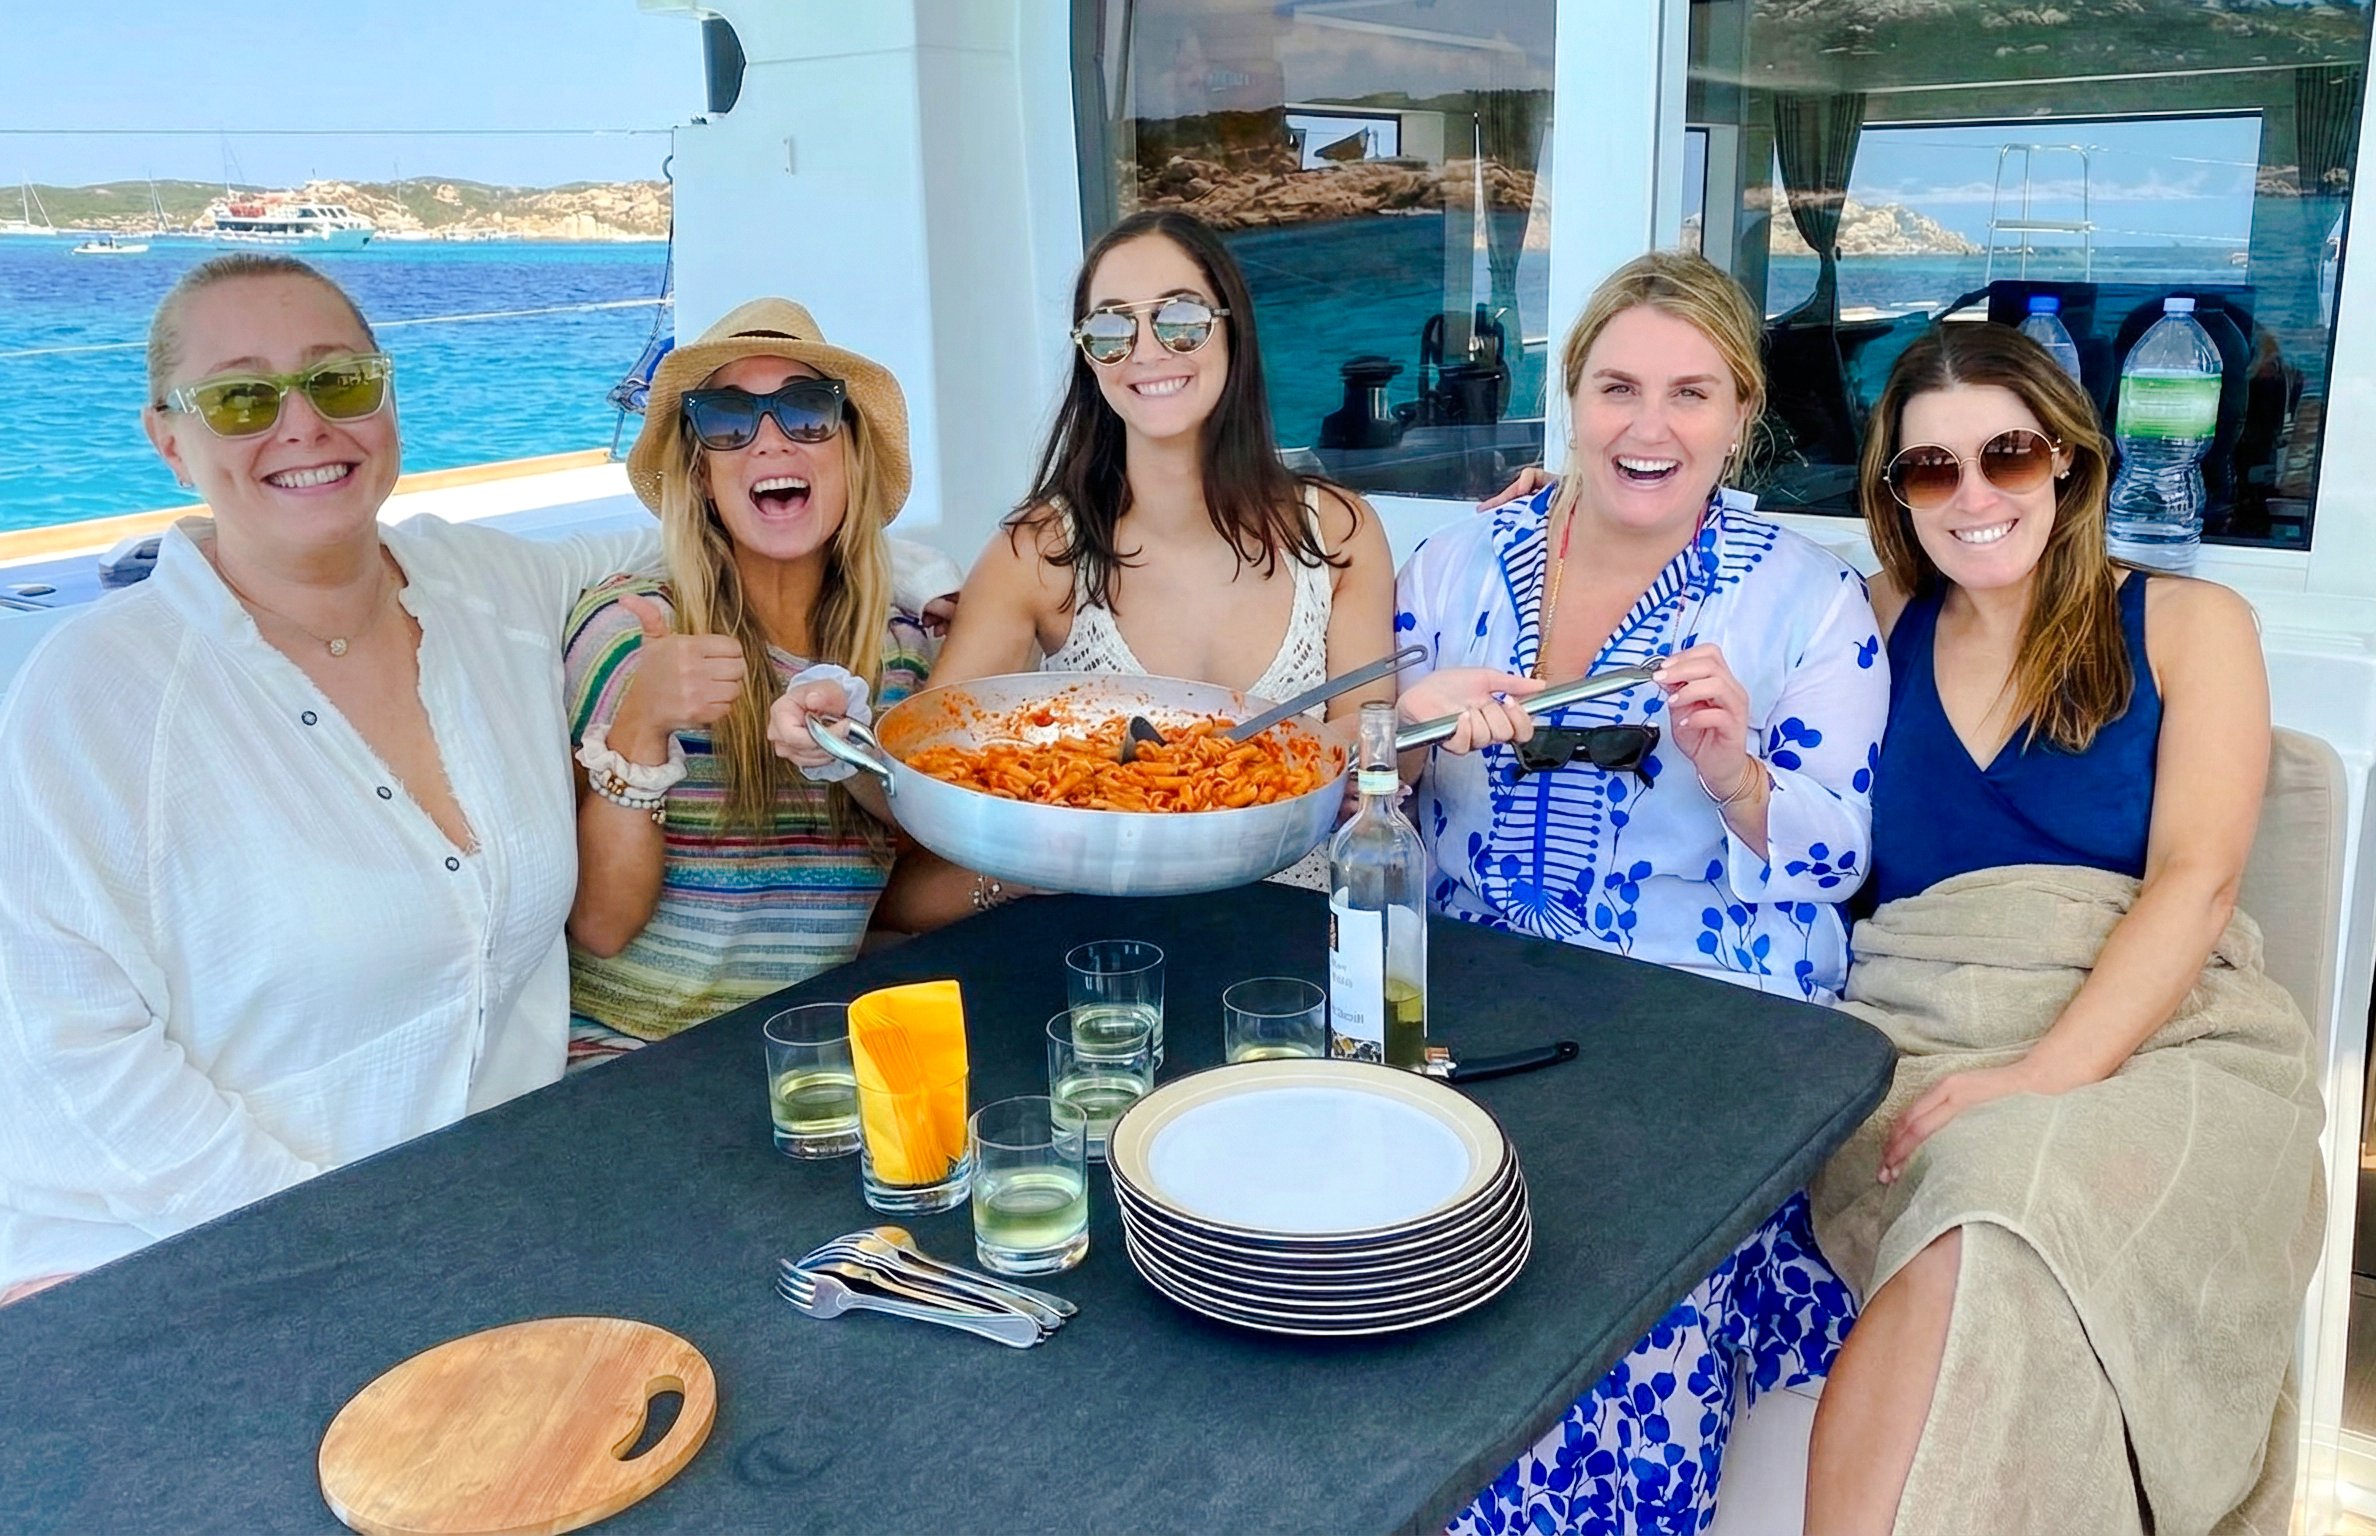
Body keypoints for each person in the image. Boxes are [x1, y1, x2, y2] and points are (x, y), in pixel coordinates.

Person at [0, 253, 661, 1303]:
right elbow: (62, 1056)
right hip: (185, 1260)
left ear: (387, 398)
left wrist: (931, 589)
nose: (302, 425)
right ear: (169, 441)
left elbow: (698, 539)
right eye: (241, 398)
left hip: (483, 1216)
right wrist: (344, 1250)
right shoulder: (97, 695)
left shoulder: (484, 587)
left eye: (338, 380)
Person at [1805, 323, 2322, 1533]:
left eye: (2008, 455)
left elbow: (2196, 881)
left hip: (2162, 1036)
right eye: (1930, 469)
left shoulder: (2191, 623)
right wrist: (1558, 509)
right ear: (1894, 492)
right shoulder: (1873, 617)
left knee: (2002, 1190)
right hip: (1918, 1030)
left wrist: (2040, 1075)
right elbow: (1709, 604)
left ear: (2070, 462)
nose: (1973, 496)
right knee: (1980, 1191)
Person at [1409, 251, 1888, 1535]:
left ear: (1740, 417)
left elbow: (1835, 857)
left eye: (1690, 393)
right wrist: (1404, 726)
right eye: (1617, 387)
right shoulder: (1454, 566)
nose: (1649, 427)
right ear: (1570, 400)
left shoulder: (1805, 600)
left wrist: (1733, 773)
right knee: (1406, 1256)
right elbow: (1345, 788)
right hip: (1466, 996)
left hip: (1699, 1008)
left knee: (1606, 1294)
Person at [885, 209, 1400, 893]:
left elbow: (1376, 749)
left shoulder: (1335, 532)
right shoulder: (1037, 553)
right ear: (1087, 355)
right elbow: (928, 768)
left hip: (1301, 937)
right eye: (1110, 329)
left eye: (1181, 319)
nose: (1147, 351)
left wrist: (1381, 748)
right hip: (1103, 946)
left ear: (1232, 330)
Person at [560, 299, 936, 1060]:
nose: (769, 439)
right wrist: (643, 720)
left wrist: (1045, 860)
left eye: (807, 411)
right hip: (632, 1059)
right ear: (701, 474)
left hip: (816, 1056)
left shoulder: (900, 654)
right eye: (727, 419)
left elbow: (902, 884)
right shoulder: (631, 629)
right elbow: (599, 927)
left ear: (850, 453)